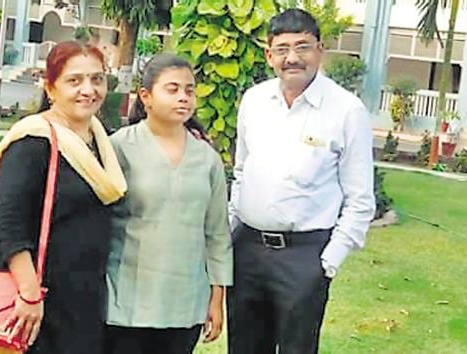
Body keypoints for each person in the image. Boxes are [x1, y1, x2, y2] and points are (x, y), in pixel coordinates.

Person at [0, 41, 127, 354]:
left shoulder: (100, 139)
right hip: (35, 301)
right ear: (51, 88)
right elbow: (6, 223)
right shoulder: (33, 141)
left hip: (82, 300)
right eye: (74, 80)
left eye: (97, 79)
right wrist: (30, 295)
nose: (89, 89)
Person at [227, 9, 376, 354]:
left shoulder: (346, 111)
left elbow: (360, 200)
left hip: (305, 257)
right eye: (281, 49)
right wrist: (231, 233)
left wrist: (327, 262)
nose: (292, 58)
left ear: (320, 49)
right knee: (243, 347)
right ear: (269, 54)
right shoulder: (254, 101)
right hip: (246, 249)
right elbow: (241, 172)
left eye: (303, 47)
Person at [104, 54, 233, 354]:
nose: (183, 98)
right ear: (146, 96)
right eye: (172, 89)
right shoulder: (119, 147)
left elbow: (216, 234)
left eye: (189, 90)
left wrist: (217, 297)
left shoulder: (207, 158)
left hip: (185, 303)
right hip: (126, 301)